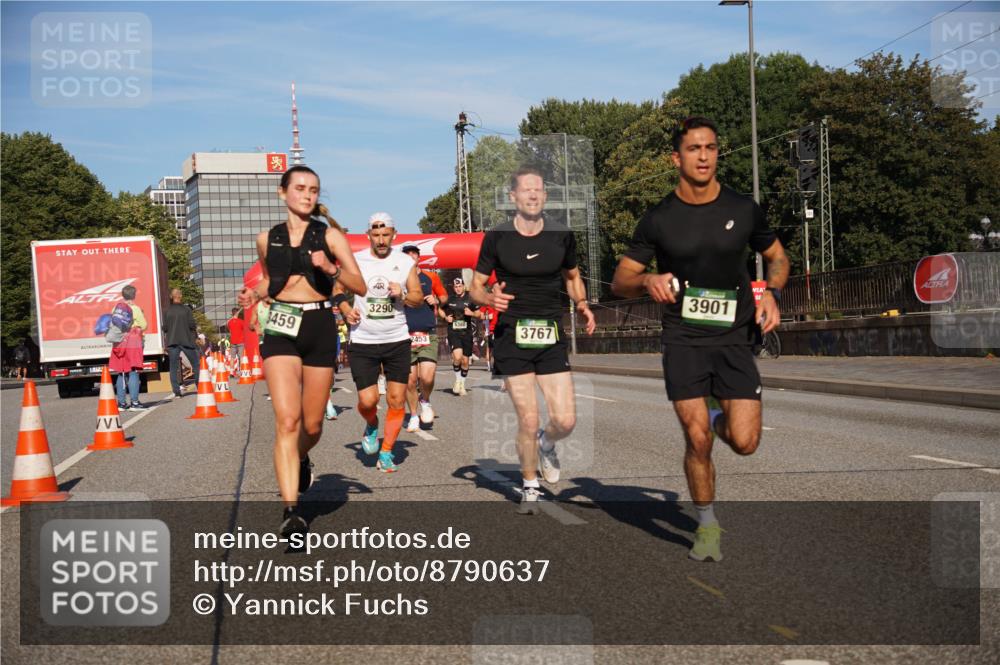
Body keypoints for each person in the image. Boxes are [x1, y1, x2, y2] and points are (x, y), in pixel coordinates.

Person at [611, 116, 789, 562]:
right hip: (684, 337)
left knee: (746, 442)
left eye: (711, 147)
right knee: (697, 440)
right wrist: (648, 280)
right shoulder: (659, 218)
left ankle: (714, 417)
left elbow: (777, 257)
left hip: (735, 336)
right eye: (694, 149)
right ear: (677, 158)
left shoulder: (743, 208)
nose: (705, 156)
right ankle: (706, 524)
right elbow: (621, 281)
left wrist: (773, 293)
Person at [237, 164, 365, 538]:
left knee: (312, 425)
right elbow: (269, 280)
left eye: (314, 190)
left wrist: (330, 267)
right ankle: (292, 512)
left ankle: (302, 455)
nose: (308, 195)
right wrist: (254, 294)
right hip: (280, 328)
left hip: (320, 326)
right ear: (283, 193)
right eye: (300, 188)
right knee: (287, 420)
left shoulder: (332, 238)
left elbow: (358, 283)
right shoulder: (266, 239)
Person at [469, 166, 595, 514]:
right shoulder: (498, 237)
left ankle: (547, 444)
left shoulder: (561, 235)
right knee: (528, 418)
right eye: (526, 190)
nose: (533, 195)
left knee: (566, 420)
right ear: (513, 197)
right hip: (513, 335)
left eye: (538, 189)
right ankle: (530, 486)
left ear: (545, 195)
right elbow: (475, 287)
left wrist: (582, 303)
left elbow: (572, 276)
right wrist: (489, 300)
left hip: (551, 334)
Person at [334, 212, 423, 473]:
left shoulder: (405, 262)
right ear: (368, 236)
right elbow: (337, 290)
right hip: (363, 339)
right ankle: (372, 424)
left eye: (386, 235)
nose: (381, 240)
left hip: (397, 339)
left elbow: (418, 297)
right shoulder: (356, 261)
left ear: (394, 235)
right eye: (376, 235)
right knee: (368, 400)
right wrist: (344, 308)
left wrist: (404, 294)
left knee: (397, 399)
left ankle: (386, 452)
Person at [400, 244, 448, 432]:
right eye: (407, 255)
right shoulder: (397, 278)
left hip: (428, 333)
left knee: (426, 378)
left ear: (419, 258)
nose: (411, 258)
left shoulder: (431, 276)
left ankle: (425, 400)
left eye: (414, 255)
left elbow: (444, 296)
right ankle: (413, 415)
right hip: (404, 335)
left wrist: (437, 300)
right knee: (410, 381)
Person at [109, 284, 148, 410]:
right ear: (134, 295)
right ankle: (135, 402)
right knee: (133, 371)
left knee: (121, 372)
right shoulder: (135, 309)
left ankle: (121, 403)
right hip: (132, 341)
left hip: (119, 341)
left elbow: (112, 323)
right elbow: (143, 325)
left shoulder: (116, 308)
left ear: (123, 295)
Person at [443, 277, 482, 395]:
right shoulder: (449, 299)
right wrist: (445, 317)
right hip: (453, 332)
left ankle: (462, 384)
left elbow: (479, 314)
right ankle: (457, 380)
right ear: (453, 288)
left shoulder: (470, 299)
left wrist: (472, 313)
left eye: (460, 286)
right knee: (457, 357)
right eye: (456, 287)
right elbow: (440, 310)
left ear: (464, 286)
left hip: (467, 333)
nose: (458, 288)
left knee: (465, 361)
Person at [162, 288, 199, 397]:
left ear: (171, 297)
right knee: (196, 364)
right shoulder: (186, 310)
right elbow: (192, 325)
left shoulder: (167, 311)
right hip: (186, 340)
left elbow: (165, 328)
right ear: (181, 296)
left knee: (173, 367)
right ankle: (200, 386)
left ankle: (176, 391)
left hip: (172, 341)